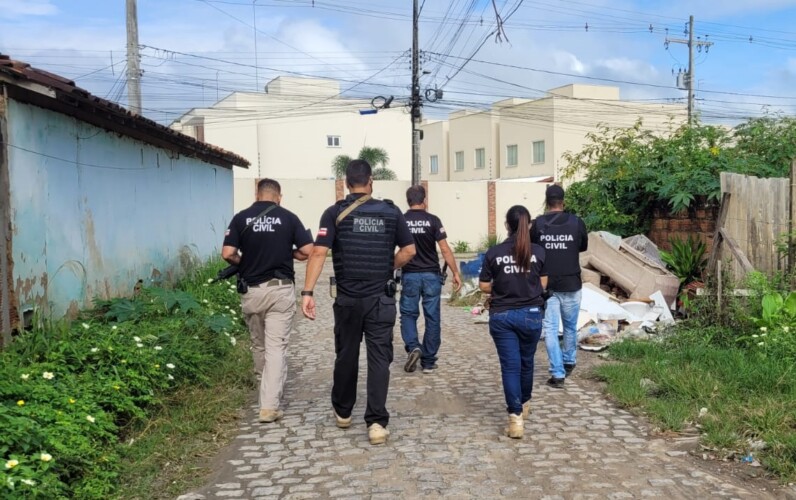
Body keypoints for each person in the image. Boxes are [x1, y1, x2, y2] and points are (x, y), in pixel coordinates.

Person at [301, 160, 416, 445]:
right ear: (371, 181)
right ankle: (376, 423)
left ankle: (343, 412)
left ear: (346, 183)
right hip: (381, 299)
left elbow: (318, 253)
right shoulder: (391, 212)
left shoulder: (334, 213)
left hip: (348, 300)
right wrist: (388, 266)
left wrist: (307, 292)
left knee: (346, 354)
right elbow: (410, 251)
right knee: (379, 359)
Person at [222, 178, 313, 424]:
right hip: (280, 289)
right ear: (279, 196)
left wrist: (247, 262)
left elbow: (228, 253)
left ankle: (265, 390)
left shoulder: (241, 218)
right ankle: (269, 405)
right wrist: (288, 253)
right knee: (276, 347)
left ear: (257, 193)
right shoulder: (289, 217)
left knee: (259, 344)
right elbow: (307, 250)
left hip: (251, 291)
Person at [479, 205, 547, 439]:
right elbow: (543, 284)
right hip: (531, 314)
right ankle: (525, 403)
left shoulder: (494, 253)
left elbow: (484, 286)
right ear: (528, 225)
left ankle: (515, 418)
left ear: (507, 225)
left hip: (502, 316)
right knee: (527, 362)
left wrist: (502, 285)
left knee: (510, 366)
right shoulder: (539, 251)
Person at [400, 185, 462, 374]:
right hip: (431, 276)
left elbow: (394, 248)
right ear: (424, 200)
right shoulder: (433, 220)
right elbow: (444, 249)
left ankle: (413, 347)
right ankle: (428, 361)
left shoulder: (401, 220)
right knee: (432, 318)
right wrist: (455, 273)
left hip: (409, 275)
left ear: (408, 201)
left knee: (408, 315)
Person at [530, 184, 588, 389]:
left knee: (551, 329)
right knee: (570, 327)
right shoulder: (576, 222)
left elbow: (533, 250)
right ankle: (569, 361)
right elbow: (583, 246)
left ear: (546, 202)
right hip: (572, 282)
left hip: (548, 286)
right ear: (563, 202)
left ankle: (557, 373)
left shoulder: (538, 224)